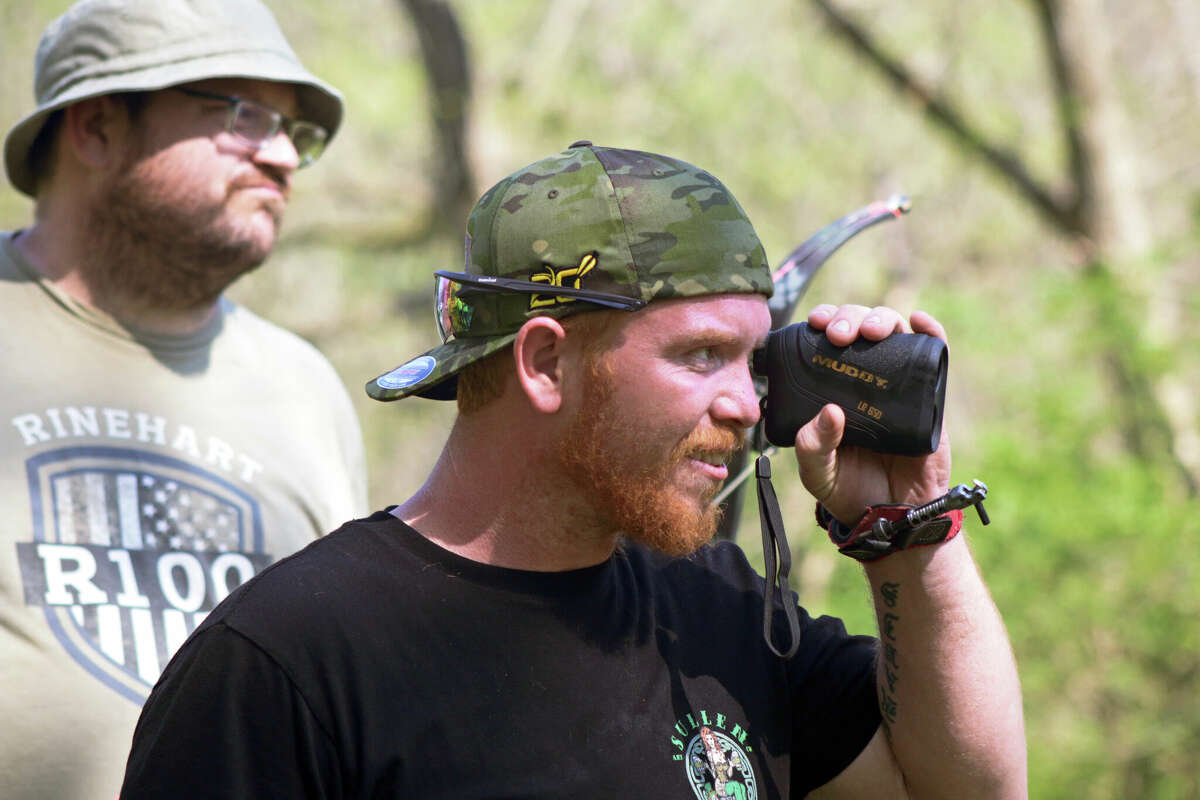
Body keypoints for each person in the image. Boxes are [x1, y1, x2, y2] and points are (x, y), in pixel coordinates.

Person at [121, 143, 1026, 798]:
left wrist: (906, 530)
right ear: (545, 364)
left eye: (755, 363)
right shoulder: (288, 664)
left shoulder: (719, 609)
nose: (750, 409)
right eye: (702, 355)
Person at [0, 1, 368, 797]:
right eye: (243, 114)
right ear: (96, 128)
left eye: (293, 131)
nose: (282, 159)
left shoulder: (303, 390)